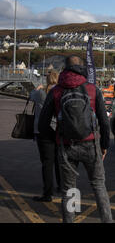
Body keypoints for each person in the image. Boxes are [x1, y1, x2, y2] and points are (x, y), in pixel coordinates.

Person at [38, 55, 113, 223]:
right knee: (99, 186)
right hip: (90, 144)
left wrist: (57, 138)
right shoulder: (93, 90)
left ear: (65, 68)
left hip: (66, 147)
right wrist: (104, 144)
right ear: (82, 68)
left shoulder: (56, 91)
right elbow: (104, 122)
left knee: (69, 190)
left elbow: (43, 125)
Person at [30, 70, 61, 202]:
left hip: (43, 130)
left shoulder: (40, 93)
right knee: (59, 160)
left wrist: (38, 88)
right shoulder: (60, 92)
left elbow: (31, 95)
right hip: (58, 129)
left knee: (47, 163)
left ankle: (47, 193)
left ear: (47, 80)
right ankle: (61, 186)